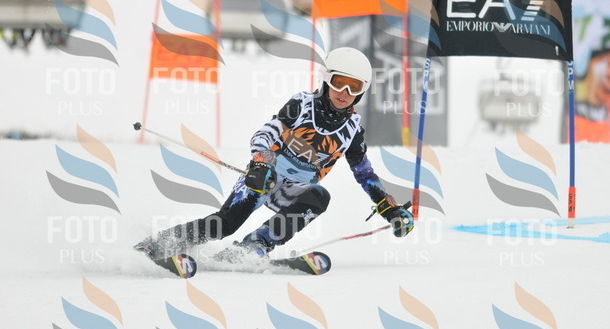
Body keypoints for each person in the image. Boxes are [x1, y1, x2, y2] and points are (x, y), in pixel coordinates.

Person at [135, 47, 414, 261]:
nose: (344, 92)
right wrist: (262, 162)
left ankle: (254, 246)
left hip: (295, 189)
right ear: (327, 80)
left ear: (362, 91)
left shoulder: (352, 130)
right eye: (339, 82)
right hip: (264, 176)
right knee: (225, 224)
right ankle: (158, 245)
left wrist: (389, 208)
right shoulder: (302, 105)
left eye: (354, 87)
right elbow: (266, 134)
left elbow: (364, 174)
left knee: (320, 196)